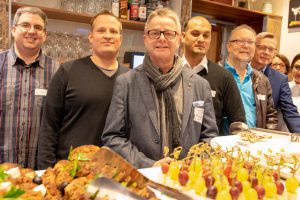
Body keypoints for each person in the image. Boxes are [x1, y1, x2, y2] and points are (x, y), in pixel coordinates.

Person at [101, 8, 218, 169]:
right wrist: (150, 165)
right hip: (143, 179)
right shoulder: (126, 83)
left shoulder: (200, 85)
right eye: (155, 33)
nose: (162, 38)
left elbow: (209, 137)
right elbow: (113, 137)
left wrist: (190, 166)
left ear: (179, 39)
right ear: (145, 39)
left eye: (169, 33)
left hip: (186, 180)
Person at [37, 11, 130, 169]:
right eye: (101, 30)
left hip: (114, 171)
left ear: (120, 39)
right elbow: (49, 127)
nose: (108, 35)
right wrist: (46, 170)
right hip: (71, 169)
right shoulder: (67, 72)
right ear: (91, 37)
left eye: (113, 31)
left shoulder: (130, 78)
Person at [0, 7, 60, 169]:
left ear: (45, 35)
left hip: (40, 169)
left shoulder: (57, 71)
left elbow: (58, 121)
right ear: (13, 30)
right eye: (25, 25)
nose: (32, 31)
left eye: (38, 27)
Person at [182, 16, 246, 135]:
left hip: (209, 149)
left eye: (206, 35)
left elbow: (238, 123)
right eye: (195, 34)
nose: (201, 39)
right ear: (183, 37)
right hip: (172, 151)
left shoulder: (224, 77)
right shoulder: (170, 72)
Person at [220, 25, 277, 130]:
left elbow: (270, 115)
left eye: (250, 42)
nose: (245, 46)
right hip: (221, 142)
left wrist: (267, 137)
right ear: (228, 46)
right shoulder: (214, 74)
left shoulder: (262, 80)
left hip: (254, 142)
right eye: (240, 41)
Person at [251, 32, 300, 133]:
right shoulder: (239, 70)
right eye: (262, 47)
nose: (266, 52)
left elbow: (289, 110)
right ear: (253, 47)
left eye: (271, 49)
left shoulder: (280, 79)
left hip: (264, 134)